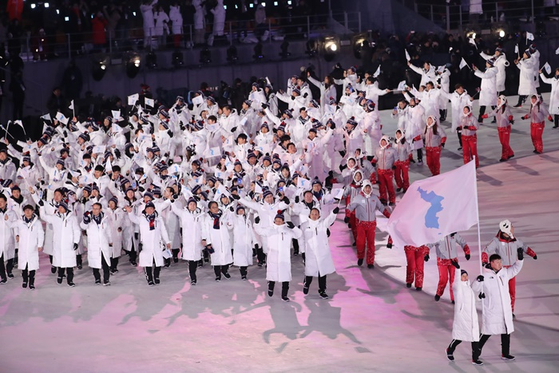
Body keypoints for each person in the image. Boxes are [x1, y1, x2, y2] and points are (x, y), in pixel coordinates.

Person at [472, 253, 524, 361]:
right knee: (487, 331)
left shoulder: (504, 273)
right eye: (497, 262)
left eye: (501, 261)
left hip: (505, 309)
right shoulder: (484, 276)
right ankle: (476, 353)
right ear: (491, 263)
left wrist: (520, 259)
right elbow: (474, 290)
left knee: (506, 331)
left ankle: (505, 353)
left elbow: (515, 269)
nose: (500, 264)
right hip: (492, 309)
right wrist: (478, 282)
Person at [482, 220, 537, 314]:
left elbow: (524, 246)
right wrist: (485, 262)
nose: (513, 228)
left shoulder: (514, 240)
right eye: (511, 226)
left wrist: (532, 254)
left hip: (512, 269)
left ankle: (510, 311)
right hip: (501, 270)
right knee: (500, 291)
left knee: (511, 291)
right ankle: (499, 310)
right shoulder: (497, 241)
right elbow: (485, 250)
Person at [254, 211, 302, 302]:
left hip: (284, 259)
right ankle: (270, 287)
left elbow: (299, 235)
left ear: (283, 221)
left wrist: (294, 228)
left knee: (285, 277)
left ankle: (284, 295)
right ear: (274, 221)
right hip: (273, 257)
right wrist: (256, 223)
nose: (278, 222)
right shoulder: (270, 230)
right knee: (272, 275)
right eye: (277, 220)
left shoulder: (288, 231)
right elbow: (260, 231)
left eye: (280, 220)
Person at [346, 180, 392, 268]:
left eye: (369, 187)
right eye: (366, 187)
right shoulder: (358, 198)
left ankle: (370, 261)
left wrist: (389, 216)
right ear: (363, 188)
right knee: (361, 243)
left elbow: (382, 208)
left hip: (371, 224)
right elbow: (350, 207)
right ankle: (360, 256)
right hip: (361, 225)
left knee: (371, 243)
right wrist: (347, 215)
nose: (367, 189)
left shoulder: (374, 198)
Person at [125, 201, 171, 286]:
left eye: (151, 208)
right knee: (148, 262)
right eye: (148, 208)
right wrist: (130, 212)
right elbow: (133, 218)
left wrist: (167, 241)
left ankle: (156, 276)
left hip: (157, 243)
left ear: (154, 209)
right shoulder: (142, 219)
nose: (149, 210)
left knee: (158, 261)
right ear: (145, 210)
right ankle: (149, 278)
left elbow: (163, 231)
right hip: (146, 244)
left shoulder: (158, 219)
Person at [39, 201, 81, 287]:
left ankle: (70, 280)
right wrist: (42, 207)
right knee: (60, 262)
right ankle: (60, 275)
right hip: (58, 244)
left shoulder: (72, 218)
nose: (59, 209)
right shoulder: (55, 217)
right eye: (59, 207)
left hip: (68, 244)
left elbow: (76, 230)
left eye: (61, 207)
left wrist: (76, 241)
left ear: (65, 208)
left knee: (69, 264)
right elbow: (43, 216)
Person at [300, 207, 338, 299]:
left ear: (319, 215)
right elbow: (301, 239)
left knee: (322, 272)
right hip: (310, 253)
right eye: (312, 214)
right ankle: (306, 284)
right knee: (310, 271)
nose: (314, 216)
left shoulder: (322, 224)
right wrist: (303, 252)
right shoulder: (304, 225)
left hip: (322, 253)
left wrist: (333, 213)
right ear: (309, 214)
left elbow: (329, 220)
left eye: (316, 214)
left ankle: (322, 290)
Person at [446, 270, 482, 366]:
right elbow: (456, 282)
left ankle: (475, 358)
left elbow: (473, 299)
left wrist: (479, 296)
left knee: (475, 337)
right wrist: (457, 269)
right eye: (463, 276)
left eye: (466, 275)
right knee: (459, 337)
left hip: (472, 316)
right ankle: (450, 349)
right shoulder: (457, 287)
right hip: (462, 316)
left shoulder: (469, 288)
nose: (465, 277)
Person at [428, 232, 471, 303]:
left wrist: (467, 252)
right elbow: (429, 244)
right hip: (442, 261)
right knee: (443, 279)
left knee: (453, 280)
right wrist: (426, 253)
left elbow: (462, 242)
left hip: (453, 261)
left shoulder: (453, 234)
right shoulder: (438, 234)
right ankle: (439, 293)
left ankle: (454, 298)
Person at [171, 197, 204, 285]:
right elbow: (175, 209)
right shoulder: (184, 213)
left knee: (196, 259)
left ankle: (193, 272)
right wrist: (172, 201)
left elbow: (203, 228)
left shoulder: (200, 215)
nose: (192, 206)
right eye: (190, 204)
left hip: (197, 240)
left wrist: (204, 238)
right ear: (188, 205)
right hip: (188, 240)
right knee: (190, 260)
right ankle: (192, 276)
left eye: (194, 204)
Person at [81, 203, 113, 286]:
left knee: (105, 262)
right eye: (93, 208)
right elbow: (83, 226)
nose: (95, 210)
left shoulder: (105, 218)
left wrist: (110, 240)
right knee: (95, 262)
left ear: (100, 209)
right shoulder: (89, 218)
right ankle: (97, 278)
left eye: (97, 209)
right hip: (94, 244)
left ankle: (106, 279)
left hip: (103, 244)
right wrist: (85, 220)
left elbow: (108, 230)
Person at [13, 204, 44, 289]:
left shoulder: (37, 222)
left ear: (33, 211)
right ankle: (25, 280)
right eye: (26, 210)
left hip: (32, 247)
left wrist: (40, 244)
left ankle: (31, 282)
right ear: (24, 212)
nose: (27, 212)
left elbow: (41, 233)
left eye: (29, 210)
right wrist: (7, 220)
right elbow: (12, 225)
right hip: (23, 247)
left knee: (32, 266)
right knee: (24, 266)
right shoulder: (20, 221)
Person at [201, 201, 233, 281]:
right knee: (216, 259)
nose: (215, 209)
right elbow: (206, 230)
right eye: (213, 207)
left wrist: (229, 224)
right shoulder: (207, 218)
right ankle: (217, 274)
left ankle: (225, 271)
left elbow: (230, 226)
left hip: (224, 239)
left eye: (216, 207)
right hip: (214, 240)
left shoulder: (224, 215)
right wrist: (208, 242)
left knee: (226, 257)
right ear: (210, 209)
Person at [482, 95, 515, 162]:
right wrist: (484, 116)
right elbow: (491, 113)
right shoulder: (497, 109)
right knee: (502, 142)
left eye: (500, 100)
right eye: (498, 100)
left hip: (506, 128)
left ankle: (504, 156)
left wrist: (510, 118)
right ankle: (510, 153)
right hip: (500, 128)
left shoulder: (506, 108)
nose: (498, 102)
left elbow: (510, 115)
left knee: (505, 143)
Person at [231, 205, 255, 280]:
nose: (241, 211)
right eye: (239, 210)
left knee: (246, 259)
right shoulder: (235, 219)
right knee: (241, 260)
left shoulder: (247, 220)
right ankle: (243, 274)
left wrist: (254, 241)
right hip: (239, 242)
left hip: (247, 242)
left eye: (242, 210)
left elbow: (251, 230)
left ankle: (244, 271)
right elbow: (230, 225)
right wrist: (231, 212)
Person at [374, 135, 396, 206]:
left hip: (388, 172)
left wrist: (395, 165)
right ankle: (383, 199)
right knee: (381, 186)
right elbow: (375, 158)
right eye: (382, 141)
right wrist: (373, 162)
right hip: (380, 172)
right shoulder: (378, 150)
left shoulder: (392, 151)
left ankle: (392, 199)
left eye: (384, 141)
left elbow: (397, 159)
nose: (383, 143)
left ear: (387, 142)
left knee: (390, 186)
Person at [0, 194, 17, 283]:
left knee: (10, 257)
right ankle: (3, 276)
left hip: (9, 237)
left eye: (2, 202)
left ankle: (9, 271)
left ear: (5, 202)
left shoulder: (11, 212)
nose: (0, 203)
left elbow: (16, 225)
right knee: (0, 258)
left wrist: (17, 235)